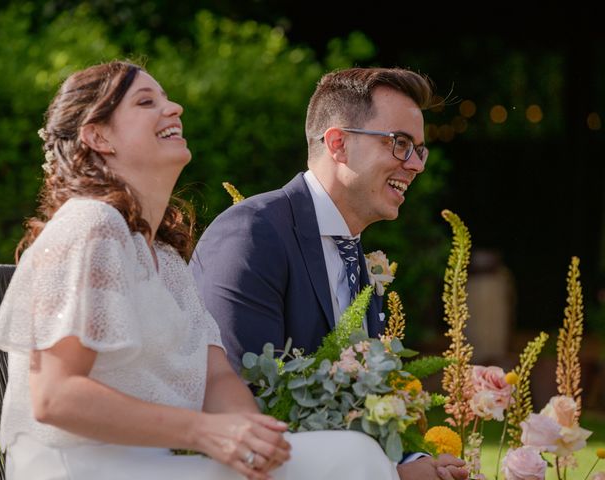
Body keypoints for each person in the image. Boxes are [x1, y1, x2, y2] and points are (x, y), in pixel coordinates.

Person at [0, 60, 415, 480]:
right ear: (98, 136)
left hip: (154, 465)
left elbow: (216, 377)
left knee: (352, 457)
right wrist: (206, 432)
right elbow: (54, 397)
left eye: (167, 99)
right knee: (354, 460)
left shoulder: (165, 259)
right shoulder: (89, 225)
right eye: (145, 102)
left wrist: (256, 443)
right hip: (80, 467)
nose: (174, 109)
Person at [191, 67, 469, 480]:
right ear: (338, 144)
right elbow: (242, 398)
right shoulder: (253, 233)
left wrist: (412, 460)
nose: (416, 165)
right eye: (400, 144)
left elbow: (359, 403)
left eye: (419, 150)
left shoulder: (358, 255)